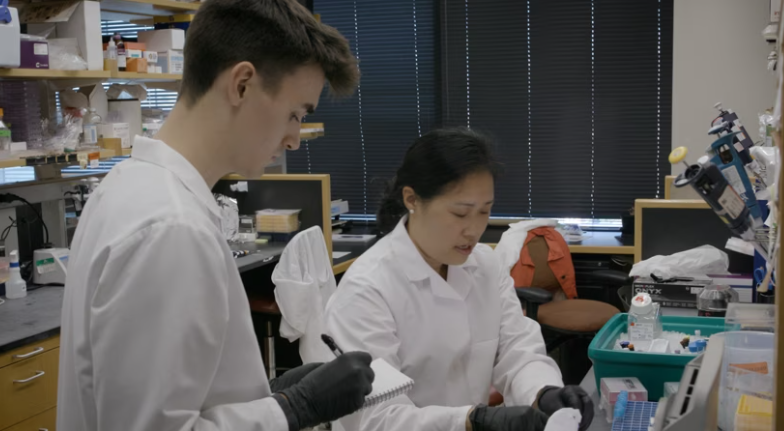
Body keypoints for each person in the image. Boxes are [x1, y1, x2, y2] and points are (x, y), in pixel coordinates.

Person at [57, 1, 375, 430]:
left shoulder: (129, 187)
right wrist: (293, 408)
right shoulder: (170, 229)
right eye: (295, 114)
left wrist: (269, 396)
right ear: (242, 84)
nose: (295, 138)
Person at [324, 128, 594, 431]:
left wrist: (544, 393)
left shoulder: (485, 264)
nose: (474, 230)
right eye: (460, 213)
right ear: (412, 199)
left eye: (484, 212)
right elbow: (376, 418)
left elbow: (517, 349)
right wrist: (470, 420)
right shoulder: (367, 289)